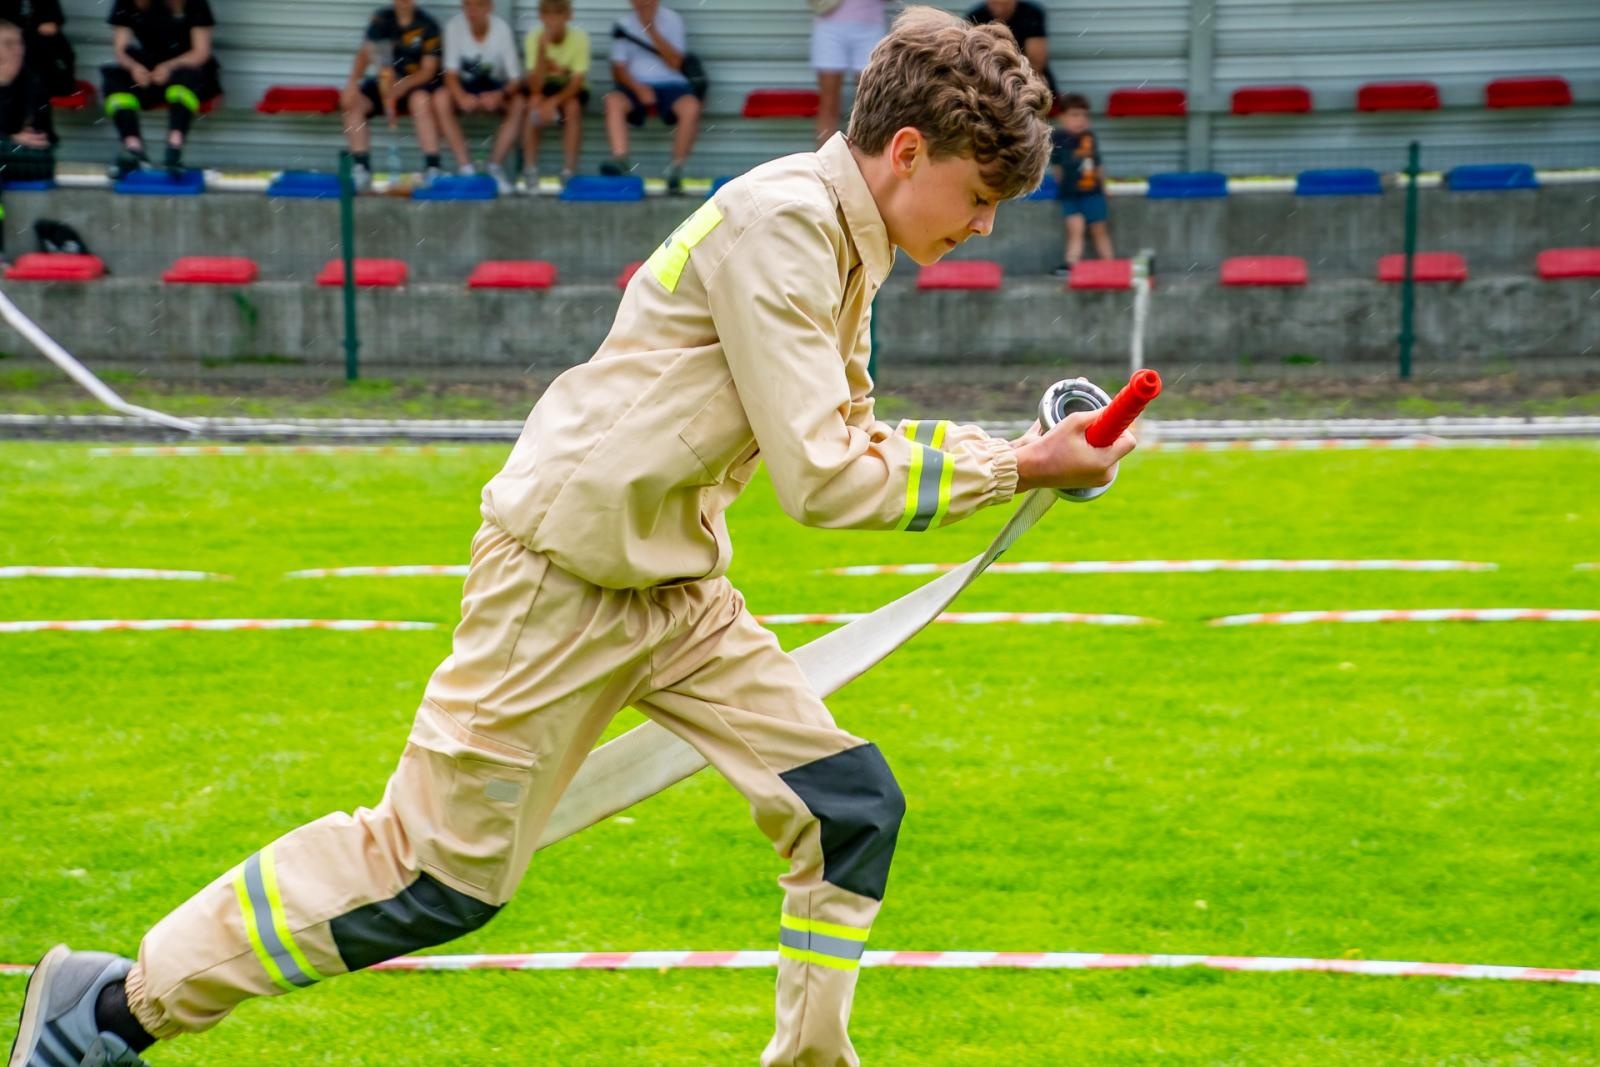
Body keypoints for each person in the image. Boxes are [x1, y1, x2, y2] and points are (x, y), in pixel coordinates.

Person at [6, 8, 1136, 1067]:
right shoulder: (786, 222)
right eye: (979, 192)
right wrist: (1022, 463)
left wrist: (1020, 448)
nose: (984, 223)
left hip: (672, 587)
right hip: (558, 578)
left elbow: (839, 434)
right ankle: (107, 1009)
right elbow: (827, 477)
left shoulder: (842, 237)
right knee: (430, 879)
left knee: (848, 812)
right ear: (904, 149)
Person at [100, 0, 220, 180]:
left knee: (186, 80)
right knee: (114, 79)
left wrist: (168, 67)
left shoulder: (195, 4)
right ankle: (134, 149)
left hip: (188, 68)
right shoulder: (126, 3)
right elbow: (121, 50)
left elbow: (201, 52)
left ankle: (174, 149)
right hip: (150, 69)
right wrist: (134, 68)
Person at [341, 1, 444, 193]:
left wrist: (403, 85)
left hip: (414, 85)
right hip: (384, 84)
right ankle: (361, 169)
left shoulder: (429, 24)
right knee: (352, 101)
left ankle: (433, 167)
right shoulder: (381, 19)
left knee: (421, 100)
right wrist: (352, 83)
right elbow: (365, 53)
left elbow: (429, 70)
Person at [601, 0, 697, 193]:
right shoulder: (623, 24)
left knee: (691, 106)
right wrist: (638, 89)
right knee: (612, 101)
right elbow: (618, 68)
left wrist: (651, 30)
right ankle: (621, 160)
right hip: (634, 86)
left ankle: (675, 169)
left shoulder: (673, 20)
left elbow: (675, 62)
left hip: (671, 85)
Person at [434, 0, 522, 193]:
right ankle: (466, 168)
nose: (472, 11)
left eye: (478, 5)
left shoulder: (501, 30)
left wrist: (500, 95)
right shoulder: (454, 27)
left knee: (520, 103)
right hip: (465, 85)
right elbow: (450, 74)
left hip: (493, 86)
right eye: (467, 5)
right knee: (440, 98)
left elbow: (515, 79)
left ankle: (494, 167)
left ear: (490, 7)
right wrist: (460, 97)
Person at [0, 18, 54, 262]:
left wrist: (11, 136)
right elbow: (16, 130)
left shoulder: (32, 81)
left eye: (19, 43)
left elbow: (39, 133)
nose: (17, 50)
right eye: (8, 44)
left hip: (32, 158)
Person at [520, 0, 589, 190]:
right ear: (541, 17)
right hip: (543, 88)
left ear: (568, 16)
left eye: (558, 15)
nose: (553, 21)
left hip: (569, 89)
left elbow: (577, 82)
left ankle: (569, 170)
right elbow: (535, 86)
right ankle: (530, 169)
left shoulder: (579, 38)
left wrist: (552, 103)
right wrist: (542, 50)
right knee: (533, 103)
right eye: (548, 15)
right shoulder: (534, 37)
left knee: (573, 107)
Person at [809, 0, 888, 146]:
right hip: (829, 25)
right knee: (828, 102)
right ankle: (825, 164)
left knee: (870, 102)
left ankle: (865, 162)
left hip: (870, 25)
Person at [1050, 92, 1112, 277]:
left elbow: (1097, 164)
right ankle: (1071, 264)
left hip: (1093, 191)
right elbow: (1057, 168)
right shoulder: (1058, 139)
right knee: (1075, 228)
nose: (1081, 120)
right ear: (1062, 118)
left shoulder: (1089, 138)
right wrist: (1061, 186)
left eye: (1084, 115)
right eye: (1074, 115)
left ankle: (1110, 266)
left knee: (1099, 230)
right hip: (1070, 193)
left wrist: (1105, 186)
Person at [965, 0, 1055, 99]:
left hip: (1027, 81)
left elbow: (1037, 61)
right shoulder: (976, 15)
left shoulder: (1030, 14)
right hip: (991, 85)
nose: (998, 6)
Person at [0, 0, 74, 98]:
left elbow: (54, 21)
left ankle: (54, 87)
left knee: (57, 50)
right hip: (15, 37)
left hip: (39, 41)